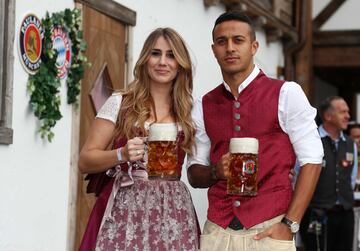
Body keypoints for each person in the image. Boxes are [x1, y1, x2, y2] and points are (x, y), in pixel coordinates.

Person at [187, 11, 323, 251]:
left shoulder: (286, 93)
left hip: (270, 229)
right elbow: (194, 173)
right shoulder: (203, 104)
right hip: (218, 231)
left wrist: (289, 224)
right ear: (213, 49)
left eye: (238, 40)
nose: (230, 48)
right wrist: (214, 172)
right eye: (222, 42)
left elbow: (312, 159)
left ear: (254, 46)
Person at [78, 27, 199, 251]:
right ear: (145, 59)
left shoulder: (191, 113)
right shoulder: (120, 103)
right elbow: (85, 160)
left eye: (171, 55)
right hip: (124, 209)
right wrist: (120, 155)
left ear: (181, 64)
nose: (163, 61)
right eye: (156, 53)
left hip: (172, 212)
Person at [299, 96, 358, 251]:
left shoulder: (350, 143)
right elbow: (298, 178)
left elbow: (350, 180)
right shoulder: (310, 140)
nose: (348, 116)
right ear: (328, 116)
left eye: (348, 112)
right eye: (342, 112)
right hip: (317, 214)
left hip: (345, 214)